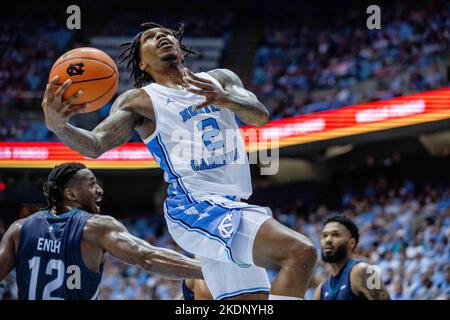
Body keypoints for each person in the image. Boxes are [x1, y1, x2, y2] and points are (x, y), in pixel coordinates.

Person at [42, 22, 317, 300]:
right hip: (194, 205)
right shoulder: (140, 101)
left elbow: (260, 116)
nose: (161, 36)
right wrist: (60, 126)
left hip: (232, 204)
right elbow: (95, 144)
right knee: (300, 252)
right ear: (142, 63)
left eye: (166, 34)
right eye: (150, 37)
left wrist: (227, 99)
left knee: (250, 303)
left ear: (181, 51)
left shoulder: (220, 79)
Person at [0, 162, 203, 300]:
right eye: (92, 184)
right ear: (70, 194)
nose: (100, 190)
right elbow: (146, 257)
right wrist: (209, 271)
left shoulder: (19, 229)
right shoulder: (96, 227)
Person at [313, 215, 390, 300]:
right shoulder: (321, 290)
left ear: (352, 243)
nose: (328, 240)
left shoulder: (364, 271)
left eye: (335, 235)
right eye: (324, 235)